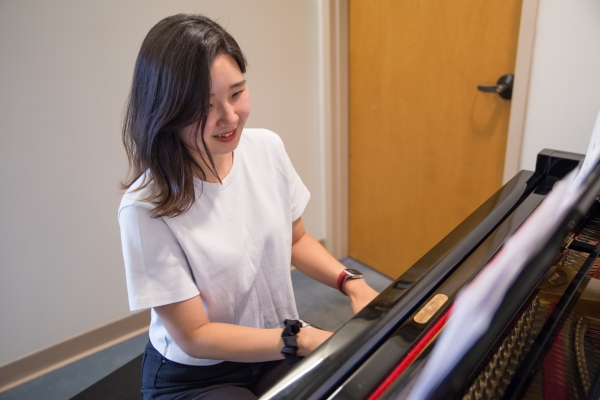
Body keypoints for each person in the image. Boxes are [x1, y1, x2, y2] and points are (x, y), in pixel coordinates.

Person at [118, 14, 379, 400]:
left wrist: (353, 284)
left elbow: (296, 239)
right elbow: (195, 335)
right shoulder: (146, 207)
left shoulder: (266, 148)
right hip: (198, 372)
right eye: (205, 107)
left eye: (237, 93)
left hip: (273, 343)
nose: (229, 117)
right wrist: (302, 339)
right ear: (166, 111)